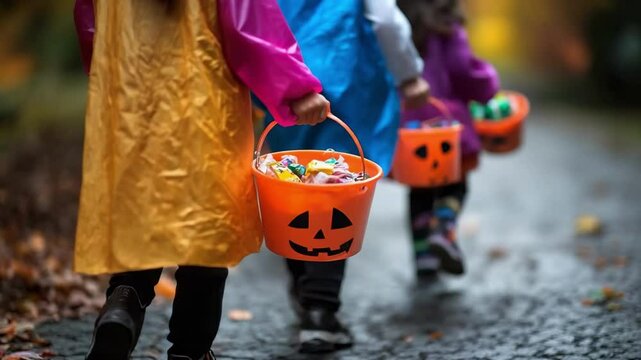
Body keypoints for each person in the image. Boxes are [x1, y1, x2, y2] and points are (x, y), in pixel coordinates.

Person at [72, 1, 329, 359]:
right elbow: (248, 21)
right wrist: (295, 89)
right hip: (205, 98)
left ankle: (124, 301)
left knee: (142, 202)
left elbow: (90, 22)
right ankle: (190, 349)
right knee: (208, 222)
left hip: (132, 92)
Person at [261, 0, 429, 353]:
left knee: (292, 188)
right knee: (335, 198)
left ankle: (304, 287)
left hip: (286, 84)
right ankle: (320, 311)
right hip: (348, 87)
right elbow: (386, 21)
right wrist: (409, 75)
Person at [397, 0, 500, 277]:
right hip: (446, 123)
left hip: (409, 123)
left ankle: (423, 258)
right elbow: (463, 70)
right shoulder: (446, 27)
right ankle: (443, 228)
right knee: (456, 181)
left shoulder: (397, 22)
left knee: (419, 190)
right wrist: (489, 82)